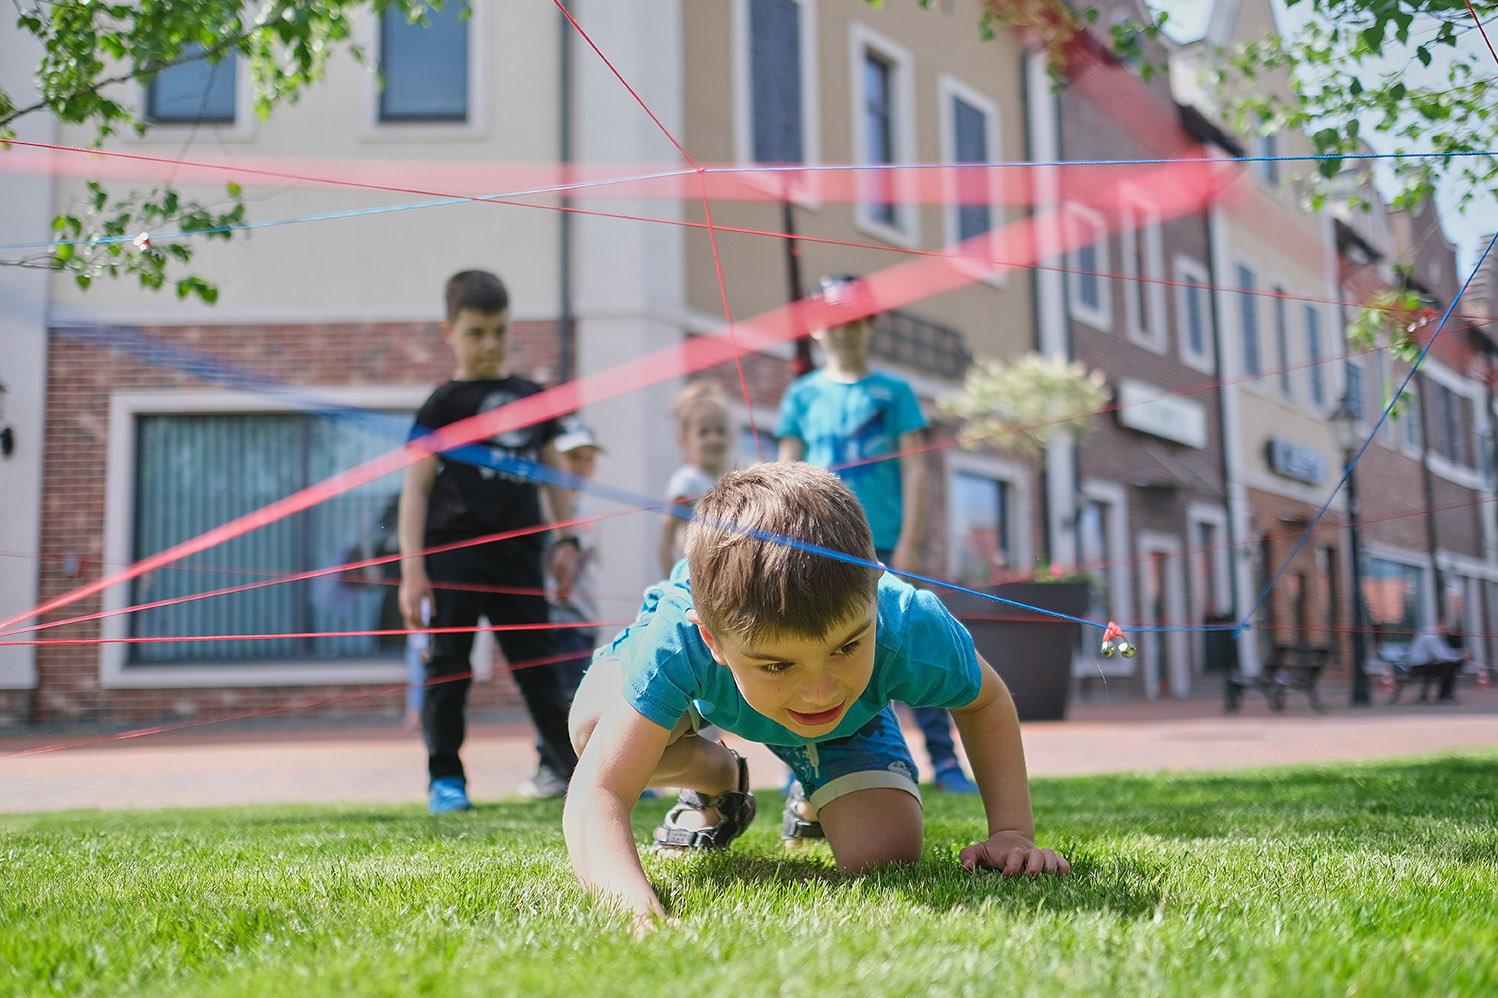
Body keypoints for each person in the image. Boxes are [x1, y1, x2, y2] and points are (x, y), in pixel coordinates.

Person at [563, 463, 1069, 925]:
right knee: (592, 729)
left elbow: (985, 700)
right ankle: (715, 775)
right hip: (702, 694)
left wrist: (1011, 832)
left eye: (847, 647)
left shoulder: (909, 624)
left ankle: (816, 781)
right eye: (777, 664)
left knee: (884, 855)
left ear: (875, 591)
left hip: (851, 723)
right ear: (713, 640)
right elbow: (600, 790)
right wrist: (633, 909)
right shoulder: (680, 641)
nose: (819, 692)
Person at [775, 273, 977, 794]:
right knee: (815, 647)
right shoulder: (802, 395)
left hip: (883, 540)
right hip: (819, 544)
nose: (842, 329)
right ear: (815, 328)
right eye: (831, 319)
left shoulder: (896, 392)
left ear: (870, 324)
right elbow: (786, 471)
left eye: (853, 319)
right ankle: (804, 758)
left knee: (909, 637)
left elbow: (915, 469)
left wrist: (910, 540)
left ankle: (944, 760)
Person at [398, 269, 581, 814]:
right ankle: (445, 779)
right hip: (454, 556)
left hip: (519, 557)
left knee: (540, 671)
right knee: (448, 668)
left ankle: (575, 772)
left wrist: (567, 541)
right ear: (448, 332)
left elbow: (554, 476)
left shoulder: (530, 398)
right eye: (476, 333)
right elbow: (415, 490)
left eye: (499, 331)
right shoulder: (441, 405)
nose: (489, 344)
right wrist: (412, 571)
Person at [521, 419, 605, 799]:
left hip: (580, 620)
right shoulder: (544, 507)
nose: (582, 466)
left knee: (575, 695)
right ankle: (550, 768)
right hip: (550, 620)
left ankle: (574, 767)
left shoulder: (587, 508)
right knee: (555, 696)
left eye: (588, 458)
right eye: (573, 457)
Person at [658, 381, 731, 579]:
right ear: (684, 440)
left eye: (720, 431)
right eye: (703, 432)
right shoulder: (687, 480)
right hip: (694, 580)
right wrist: (673, 586)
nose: (713, 439)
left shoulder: (728, 481)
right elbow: (665, 542)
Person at [1401, 617, 1468, 703]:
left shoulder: (1436, 635)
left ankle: (1444, 694)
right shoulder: (1431, 637)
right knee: (1450, 666)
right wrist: (1459, 656)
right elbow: (1440, 656)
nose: (1445, 632)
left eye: (1446, 630)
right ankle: (1444, 695)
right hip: (1418, 665)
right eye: (1443, 629)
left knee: (1451, 666)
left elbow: (1444, 651)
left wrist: (1459, 653)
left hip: (1424, 664)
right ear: (1438, 625)